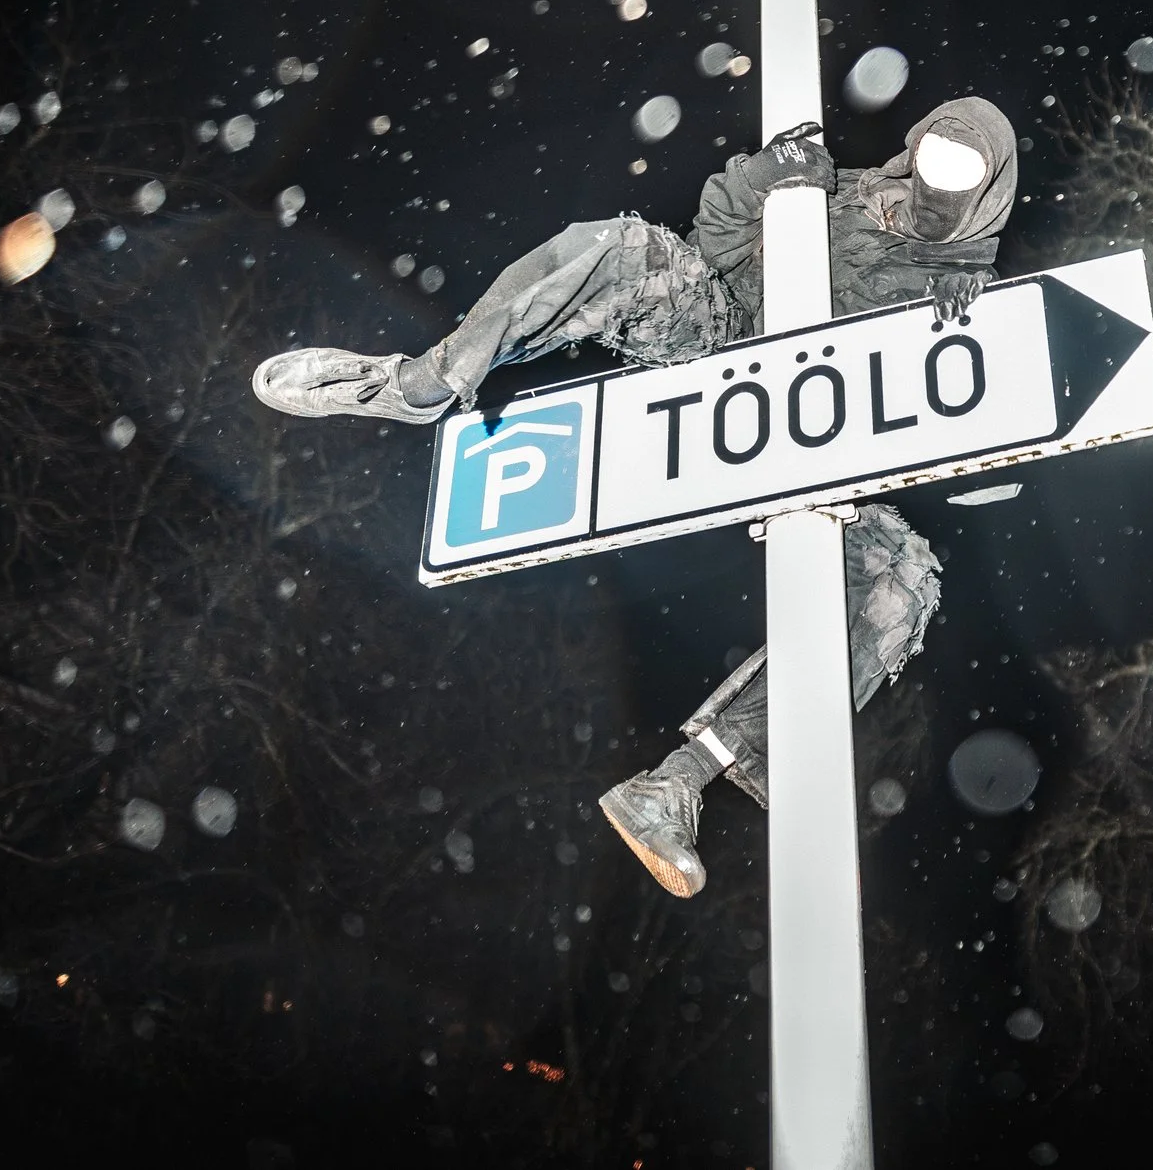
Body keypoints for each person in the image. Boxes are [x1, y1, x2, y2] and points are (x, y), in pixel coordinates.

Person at [249, 99, 1019, 896]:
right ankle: (417, 381)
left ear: (989, 191)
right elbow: (715, 238)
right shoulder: (839, 189)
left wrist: (960, 330)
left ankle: (679, 781)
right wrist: (767, 178)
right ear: (916, 145)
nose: (940, 181)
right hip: (721, 352)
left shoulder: (967, 289)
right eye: (937, 155)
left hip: (816, 455)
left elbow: (964, 443)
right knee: (627, 250)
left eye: (965, 173)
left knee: (904, 579)